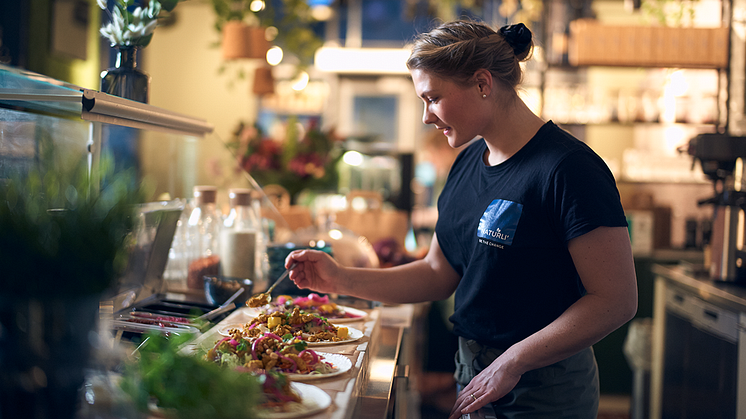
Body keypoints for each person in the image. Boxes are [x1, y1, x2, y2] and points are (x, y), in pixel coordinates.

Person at [285, 19, 637, 419]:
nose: (426, 117)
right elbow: (438, 271)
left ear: (483, 83)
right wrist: (340, 279)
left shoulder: (569, 168)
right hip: (475, 374)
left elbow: (616, 301)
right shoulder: (469, 161)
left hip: (542, 387)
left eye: (433, 98)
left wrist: (512, 362)